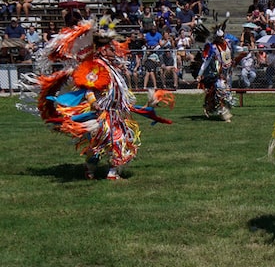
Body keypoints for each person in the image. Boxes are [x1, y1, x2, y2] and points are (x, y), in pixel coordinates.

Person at [18, 20, 174, 180]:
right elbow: (89, 89)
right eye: (112, 50)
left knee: (118, 142)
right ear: (104, 51)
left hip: (114, 114)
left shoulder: (109, 67)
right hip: (100, 114)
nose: (115, 52)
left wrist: (141, 105)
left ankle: (109, 172)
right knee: (101, 144)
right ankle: (93, 170)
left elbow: (117, 92)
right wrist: (94, 104)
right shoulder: (96, 67)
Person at [195, 19, 235, 121]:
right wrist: (200, 74)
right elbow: (206, 62)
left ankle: (210, 107)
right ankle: (225, 115)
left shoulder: (229, 43)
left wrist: (244, 50)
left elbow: (236, 49)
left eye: (223, 37)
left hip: (228, 74)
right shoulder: (214, 48)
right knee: (221, 92)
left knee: (228, 96)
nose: (222, 39)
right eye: (220, 37)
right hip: (219, 74)